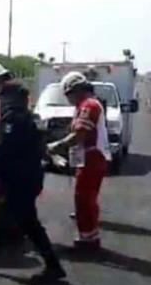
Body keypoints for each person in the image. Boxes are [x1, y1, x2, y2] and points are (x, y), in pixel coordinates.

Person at [0, 64, 66, 284]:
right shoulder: (19, 102)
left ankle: (53, 266)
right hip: (24, 172)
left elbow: (5, 140)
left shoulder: (10, 105)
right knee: (6, 218)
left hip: (18, 174)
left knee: (27, 221)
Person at [47, 72, 111, 250]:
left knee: (83, 199)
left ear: (74, 91)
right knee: (87, 198)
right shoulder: (87, 104)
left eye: (68, 95)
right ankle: (90, 235)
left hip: (92, 157)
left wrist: (56, 146)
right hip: (89, 157)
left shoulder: (88, 105)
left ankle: (88, 239)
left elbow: (79, 135)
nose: (68, 99)